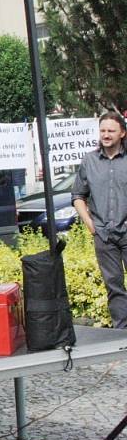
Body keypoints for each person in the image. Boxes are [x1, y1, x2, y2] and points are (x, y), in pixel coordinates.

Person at [72, 111, 127, 329]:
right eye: (103, 130)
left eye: (111, 130)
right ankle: (121, 335)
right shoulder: (90, 161)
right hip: (103, 235)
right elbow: (78, 196)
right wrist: (90, 224)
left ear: (122, 133)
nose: (106, 135)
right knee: (114, 286)